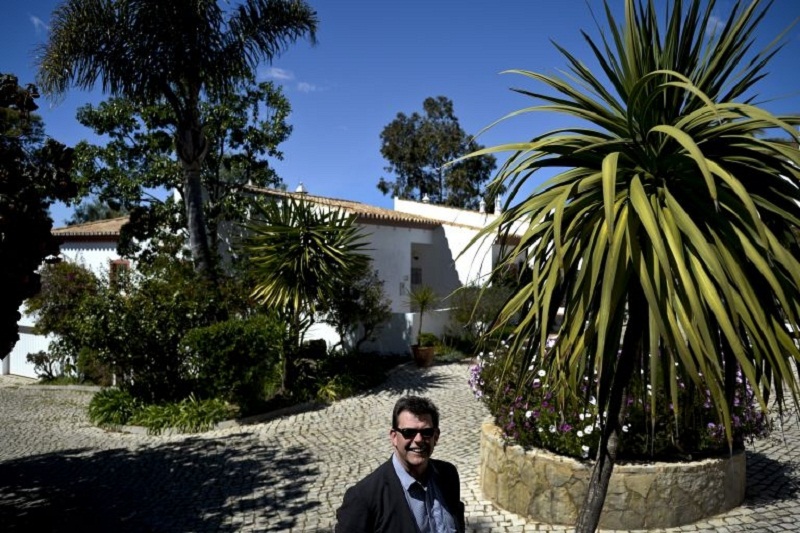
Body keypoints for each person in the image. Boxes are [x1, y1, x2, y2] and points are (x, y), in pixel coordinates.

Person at [335, 395, 466, 532]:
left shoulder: (448, 475)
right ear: (394, 437)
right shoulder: (364, 497)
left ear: (436, 436)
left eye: (426, 432)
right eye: (408, 432)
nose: (419, 439)